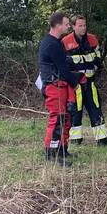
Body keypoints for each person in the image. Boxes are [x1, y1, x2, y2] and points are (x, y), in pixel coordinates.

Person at [61, 15, 107, 147]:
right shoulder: (65, 41)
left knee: (95, 109)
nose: (83, 28)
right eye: (80, 25)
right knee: (75, 110)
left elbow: (97, 59)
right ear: (73, 27)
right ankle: (75, 140)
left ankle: (102, 140)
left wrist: (92, 66)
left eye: (84, 25)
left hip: (90, 82)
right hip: (75, 84)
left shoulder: (92, 39)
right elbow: (64, 64)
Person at [38, 11, 82, 166]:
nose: (68, 26)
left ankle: (62, 149)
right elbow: (63, 69)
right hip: (54, 86)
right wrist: (75, 82)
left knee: (66, 119)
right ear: (57, 25)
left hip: (61, 86)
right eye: (66, 24)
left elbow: (65, 65)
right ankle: (51, 153)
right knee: (57, 120)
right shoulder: (51, 44)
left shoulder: (57, 43)